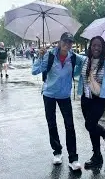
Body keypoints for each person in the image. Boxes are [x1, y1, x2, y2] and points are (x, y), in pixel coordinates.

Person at [32, 32, 86, 171]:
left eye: (70, 42)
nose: (67, 44)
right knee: (52, 124)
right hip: (49, 94)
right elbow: (35, 71)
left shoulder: (73, 57)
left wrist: (76, 71)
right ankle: (57, 152)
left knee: (70, 125)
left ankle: (73, 158)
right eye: (65, 41)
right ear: (59, 41)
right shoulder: (49, 55)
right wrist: (39, 56)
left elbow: (85, 61)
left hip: (64, 96)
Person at [76, 36, 105, 169]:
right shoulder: (85, 60)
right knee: (92, 127)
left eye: (99, 46)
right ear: (90, 47)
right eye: (94, 45)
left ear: (103, 49)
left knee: (90, 124)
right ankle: (97, 156)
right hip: (85, 98)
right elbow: (75, 72)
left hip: (100, 99)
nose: (96, 48)